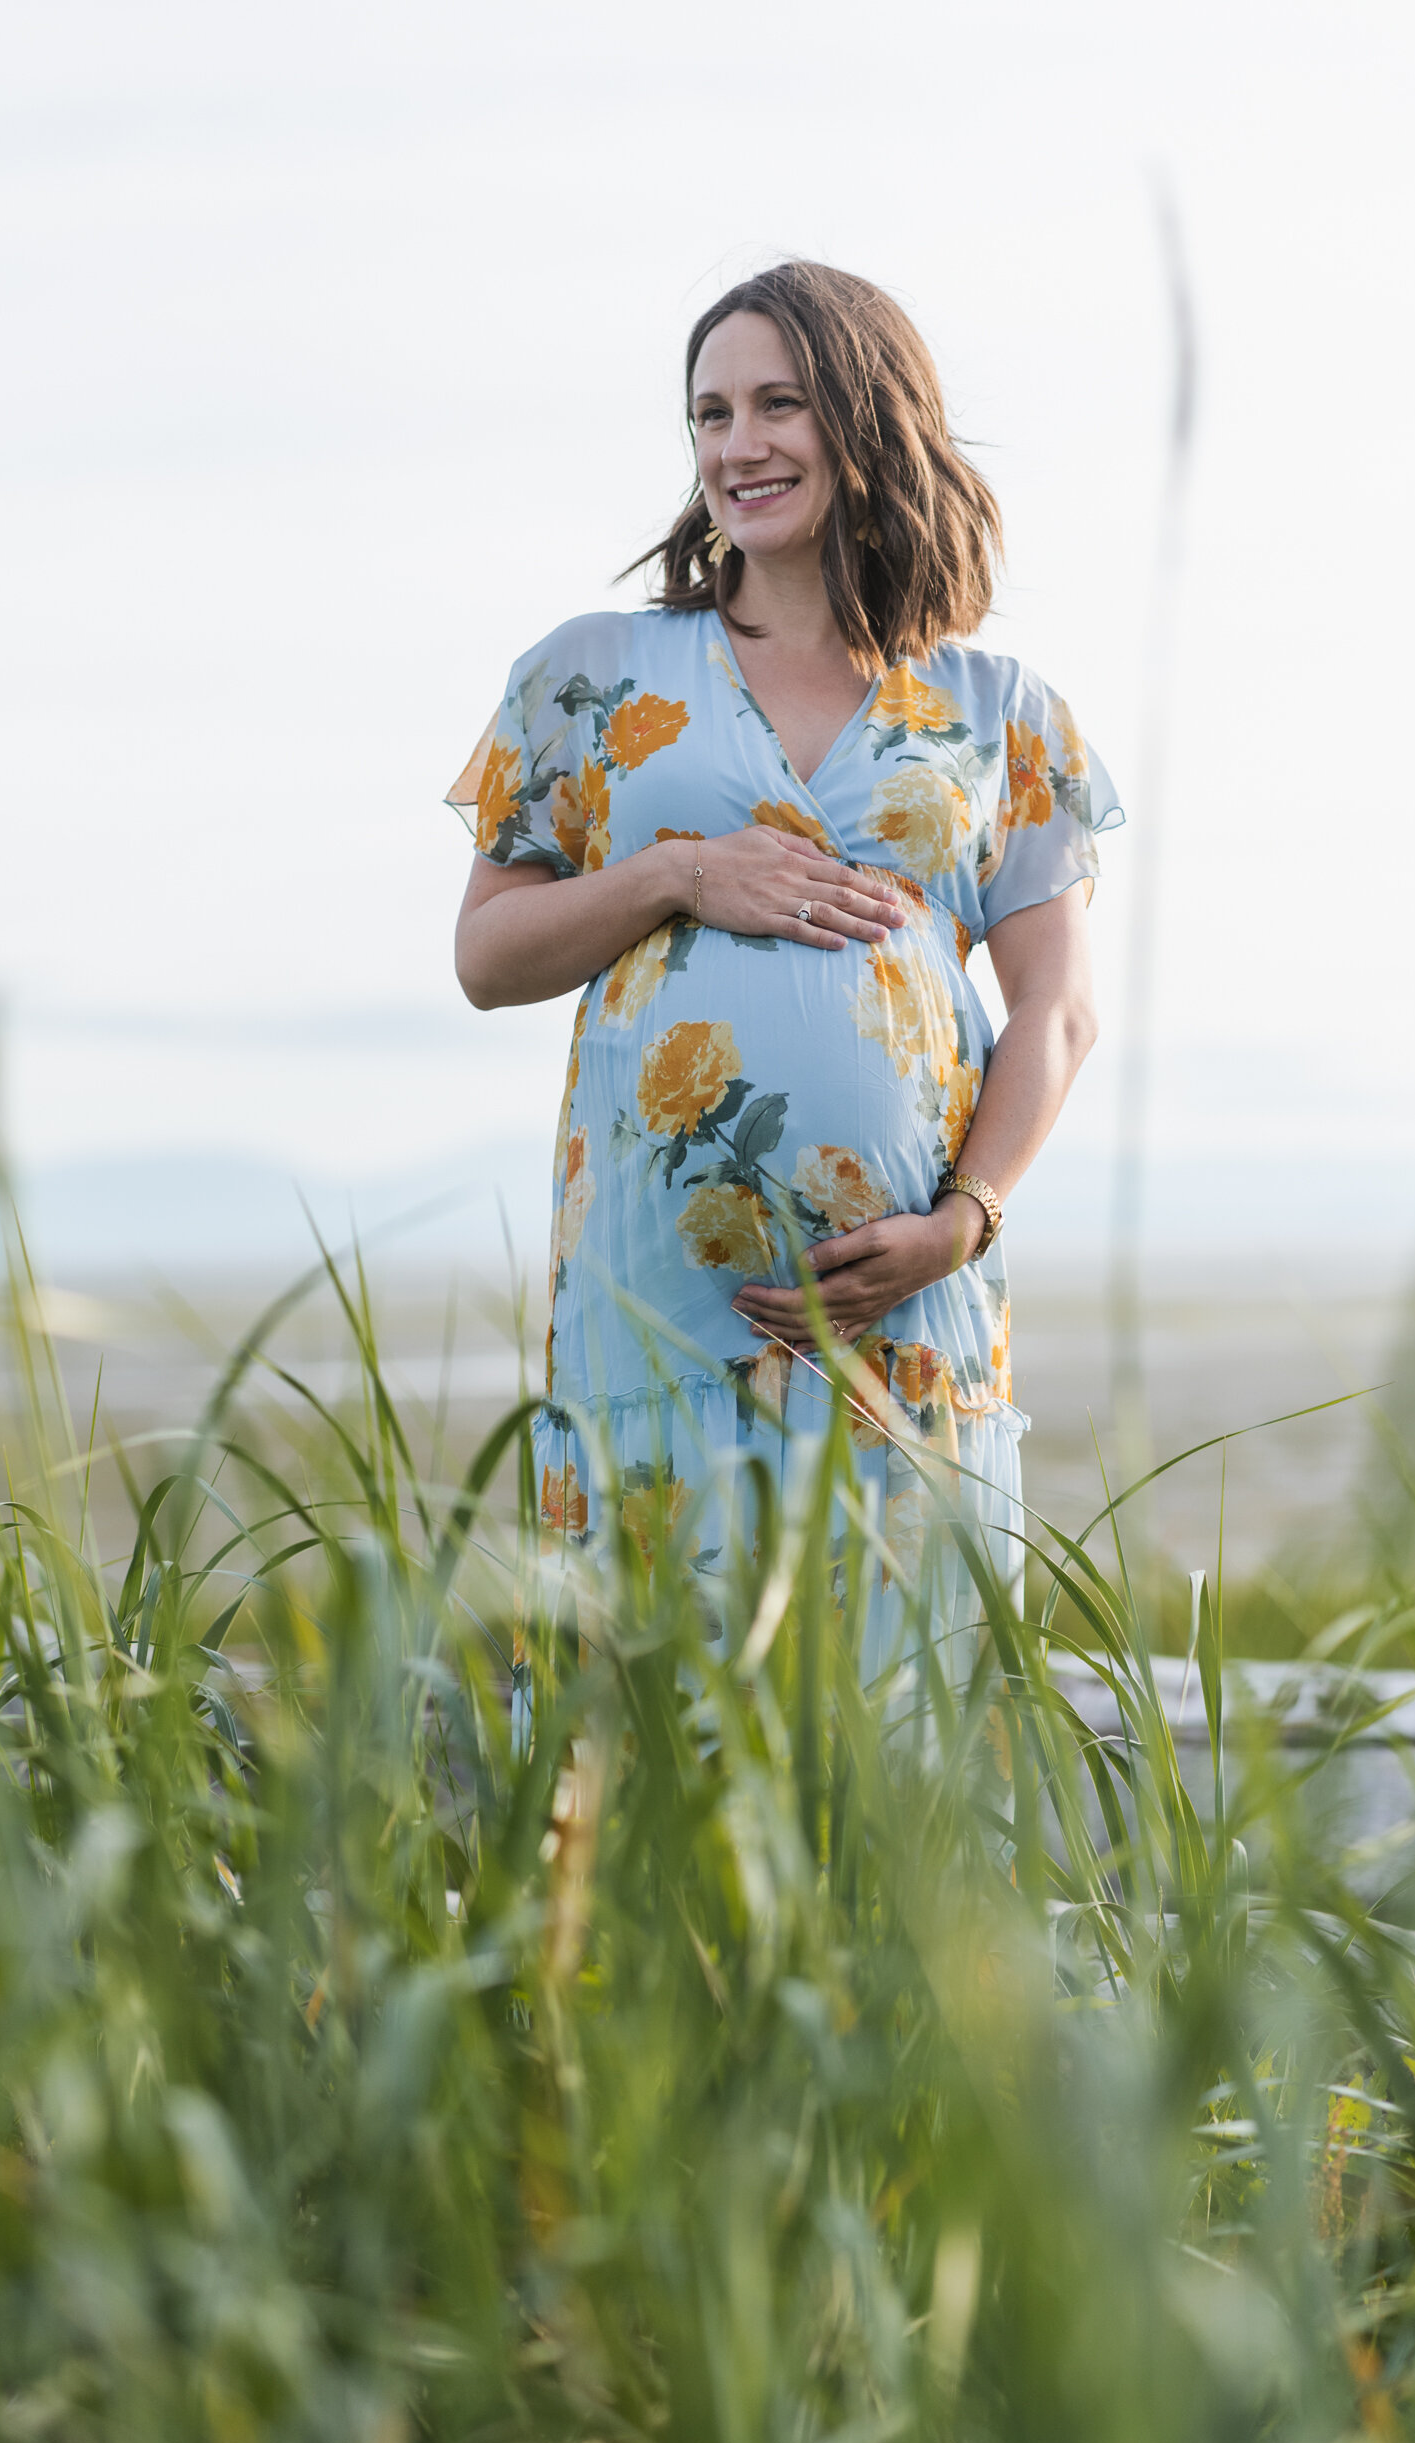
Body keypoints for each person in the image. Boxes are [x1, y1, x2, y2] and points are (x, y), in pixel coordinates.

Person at [449, 260, 1117, 1677]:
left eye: (778, 404)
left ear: (870, 420)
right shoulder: (595, 676)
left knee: (906, 1734)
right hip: (659, 1305)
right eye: (708, 414)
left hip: (907, 1304)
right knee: (648, 1728)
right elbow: (488, 957)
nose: (736, 445)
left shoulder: (996, 709)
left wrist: (964, 1222)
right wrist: (675, 873)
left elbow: (1055, 1012)